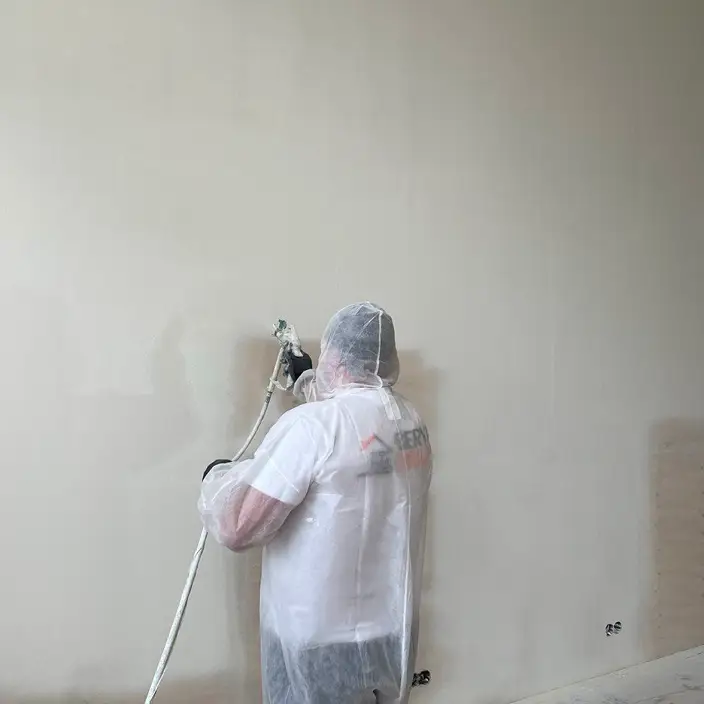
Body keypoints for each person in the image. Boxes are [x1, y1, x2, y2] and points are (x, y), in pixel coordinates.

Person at [198, 302, 432, 704]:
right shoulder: (411, 422)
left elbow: (238, 527)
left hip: (316, 634)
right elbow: (354, 432)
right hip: (391, 625)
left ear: (336, 358)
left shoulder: (310, 428)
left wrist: (217, 479)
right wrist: (306, 380)